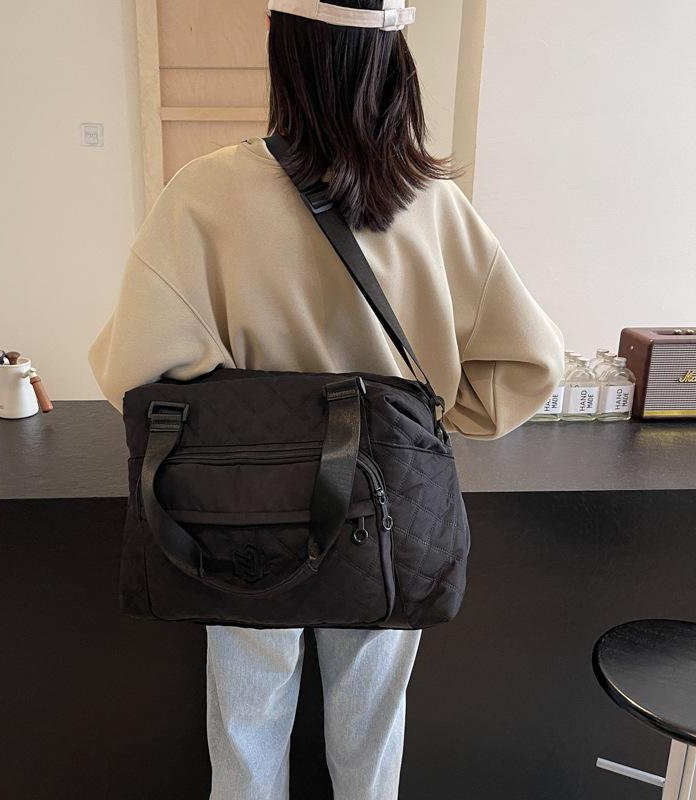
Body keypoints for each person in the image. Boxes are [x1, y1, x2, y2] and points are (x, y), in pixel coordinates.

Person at [87, 1, 565, 797]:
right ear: (393, 57)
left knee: (245, 738)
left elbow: (130, 372)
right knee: (369, 743)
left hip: (239, 505)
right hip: (385, 505)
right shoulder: (431, 202)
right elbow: (532, 364)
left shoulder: (204, 193)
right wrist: (437, 411)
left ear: (282, 47)